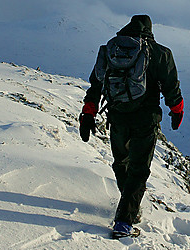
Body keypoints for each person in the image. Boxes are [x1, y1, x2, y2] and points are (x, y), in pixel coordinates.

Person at [79, 15, 184, 238]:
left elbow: (96, 84)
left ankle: (128, 205)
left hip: (117, 117)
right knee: (139, 169)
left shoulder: (111, 50)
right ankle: (124, 222)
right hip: (145, 120)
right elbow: (171, 87)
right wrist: (177, 111)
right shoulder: (160, 53)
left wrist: (88, 113)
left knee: (121, 162)